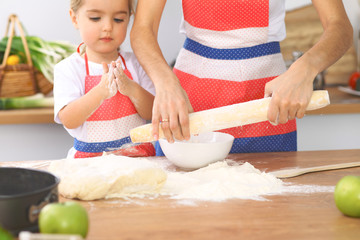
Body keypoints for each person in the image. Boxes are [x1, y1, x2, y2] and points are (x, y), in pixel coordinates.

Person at [130, 0, 353, 155]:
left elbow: (340, 26)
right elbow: (142, 28)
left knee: (271, 212)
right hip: (190, 108)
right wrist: (165, 84)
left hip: (267, 110)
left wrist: (305, 68)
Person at [53, 0, 156, 158]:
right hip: (90, 162)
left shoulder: (138, 63)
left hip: (138, 157)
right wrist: (100, 92)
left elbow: (151, 112)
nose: (108, 27)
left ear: (129, 18)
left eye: (118, 19)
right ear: (75, 18)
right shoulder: (68, 69)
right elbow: (68, 119)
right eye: (95, 18)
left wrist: (131, 88)